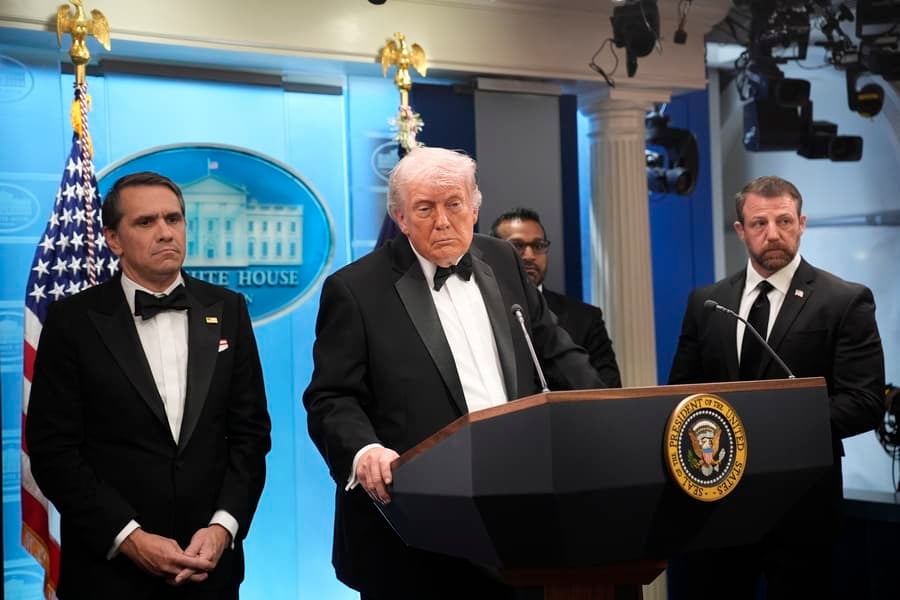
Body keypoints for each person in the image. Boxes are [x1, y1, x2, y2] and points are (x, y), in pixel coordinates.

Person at [303, 147, 604, 599]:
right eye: (425, 208)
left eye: (454, 205)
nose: (442, 221)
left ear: (475, 207)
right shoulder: (355, 290)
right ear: (401, 217)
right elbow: (331, 398)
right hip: (412, 533)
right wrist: (364, 450)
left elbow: (557, 353)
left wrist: (604, 415)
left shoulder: (503, 260)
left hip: (516, 515)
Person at [26, 172, 272, 599]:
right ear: (114, 239)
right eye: (145, 222)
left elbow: (250, 436)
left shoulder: (228, 309)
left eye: (173, 219)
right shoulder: (72, 321)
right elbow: (53, 451)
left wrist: (223, 527)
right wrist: (129, 537)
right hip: (109, 574)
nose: (165, 232)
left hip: (209, 570)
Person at [667, 175, 885, 599]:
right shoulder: (707, 302)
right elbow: (681, 394)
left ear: (802, 223)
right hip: (716, 505)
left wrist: (768, 431)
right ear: (740, 230)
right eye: (759, 223)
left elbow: (864, 401)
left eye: (784, 221)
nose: (773, 234)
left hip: (802, 506)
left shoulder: (843, 300)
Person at [490, 208, 621, 387]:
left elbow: (610, 390)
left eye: (538, 246)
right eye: (517, 246)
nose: (529, 256)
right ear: (495, 251)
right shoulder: (480, 312)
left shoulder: (585, 318)